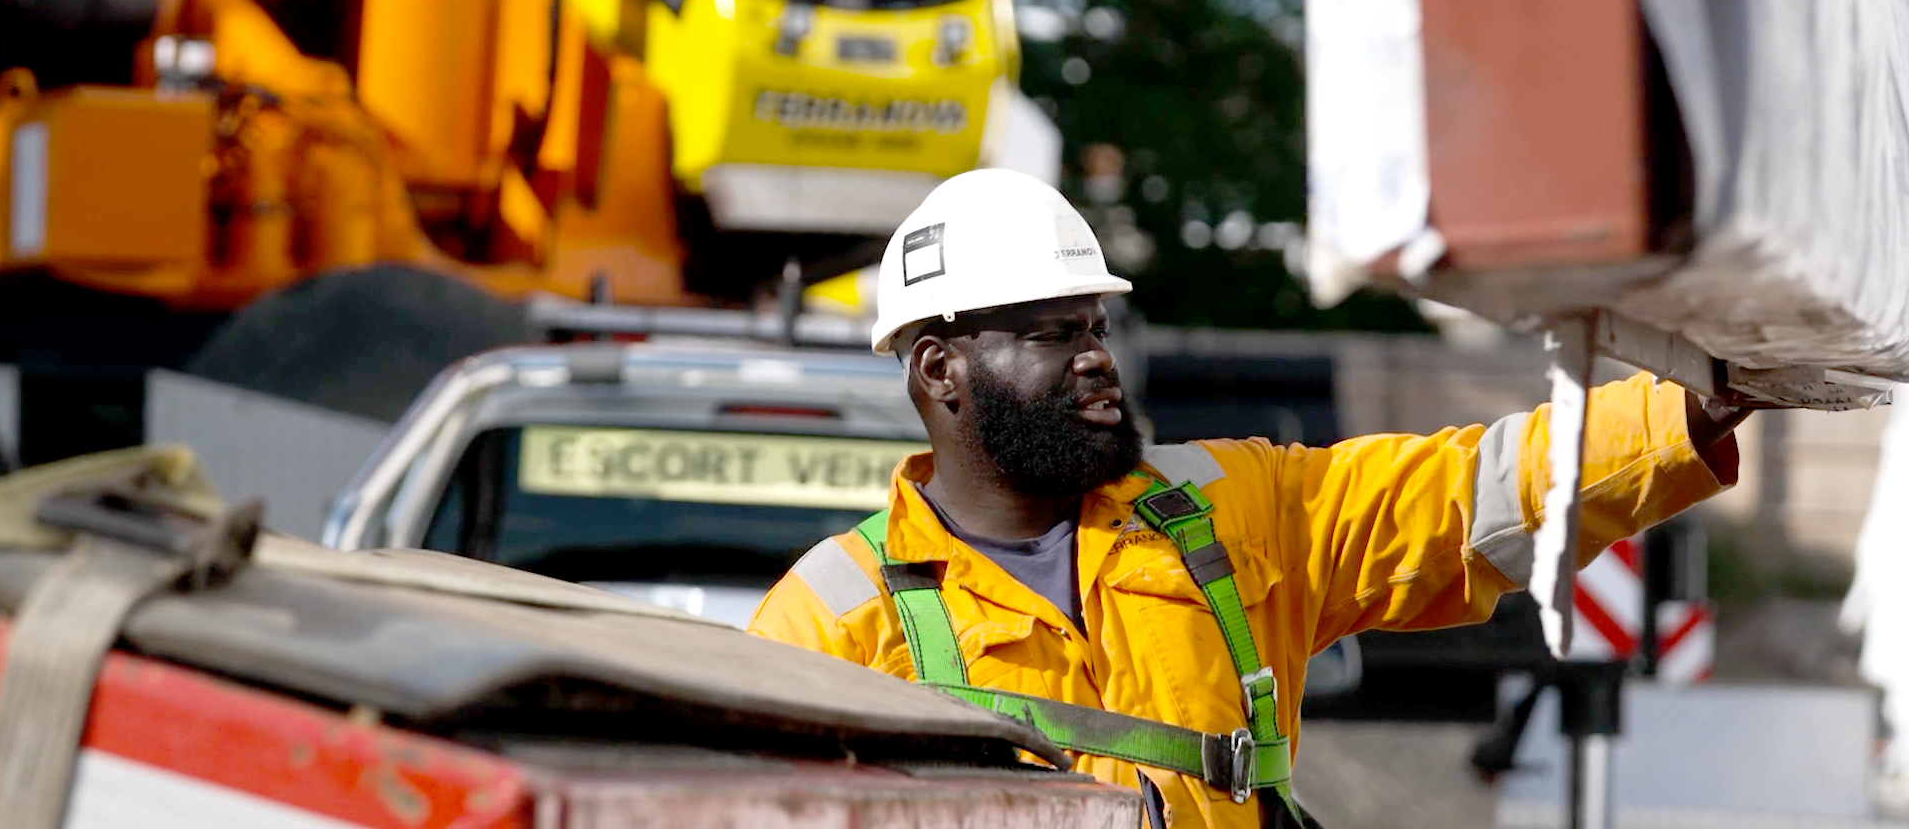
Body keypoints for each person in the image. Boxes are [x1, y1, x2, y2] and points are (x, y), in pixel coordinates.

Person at [748, 169, 1747, 828]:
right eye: (1052, 334)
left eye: (1095, 326)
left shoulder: (1221, 508)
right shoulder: (834, 622)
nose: (1098, 359)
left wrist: (1692, 412)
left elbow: (1463, 496)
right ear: (940, 369)